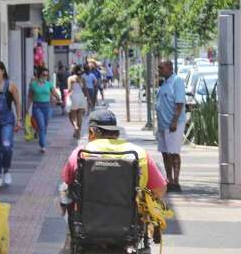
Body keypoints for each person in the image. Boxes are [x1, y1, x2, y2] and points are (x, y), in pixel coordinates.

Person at [61, 109, 167, 199]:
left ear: (92, 132)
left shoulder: (80, 154)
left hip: (87, 217)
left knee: (64, 190)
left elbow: (68, 182)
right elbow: (159, 190)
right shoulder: (140, 154)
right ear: (116, 133)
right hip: (130, 219)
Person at [156, 60, 186, 193]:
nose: (159, 70)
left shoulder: (176, 81)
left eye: (161, 68)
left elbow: (180, 103)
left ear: (169, 68)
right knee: (165, 153)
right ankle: (168, 179)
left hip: (173, 124)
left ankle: (176, 181)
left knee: (174, 153)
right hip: (163, 125)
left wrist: (174, 120)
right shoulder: (164, 83)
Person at [28, 68, 61, 153]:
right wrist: (27, 109)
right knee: (42, 125)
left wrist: (59, 99)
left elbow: (54, 93)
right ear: (39, 75)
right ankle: (42, 144)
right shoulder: (33, 84)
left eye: (46, 75)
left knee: (44, 126)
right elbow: (30, 97)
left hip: (47, 107)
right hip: (37, 106)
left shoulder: (49, 84)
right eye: (43, 75)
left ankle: (39, 133)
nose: (45, 77)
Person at [67, 64, 89, 139]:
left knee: (71, 115)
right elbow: (85, 90)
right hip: (81, 97)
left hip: (74, 97)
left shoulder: (71, 78)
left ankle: (76, 127)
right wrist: (88, 99)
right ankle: (78, 133)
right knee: (80, 116)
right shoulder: (83, 79)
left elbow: (69, 89)